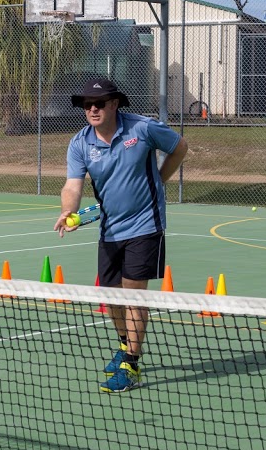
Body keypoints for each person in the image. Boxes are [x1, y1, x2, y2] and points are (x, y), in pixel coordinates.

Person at [54, 78, 188, 393]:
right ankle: (125, 344)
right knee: (110, 296)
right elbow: (73, 186)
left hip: (146, 225)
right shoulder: (80, 143)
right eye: (87, 104)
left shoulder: (142, 129)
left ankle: (131, 363)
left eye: (99, 103)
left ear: (115, 104)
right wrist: (67, 211)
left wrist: (159, 180)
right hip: (110, 226)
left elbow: (180, 147)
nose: (93, 109)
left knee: (132, 294)